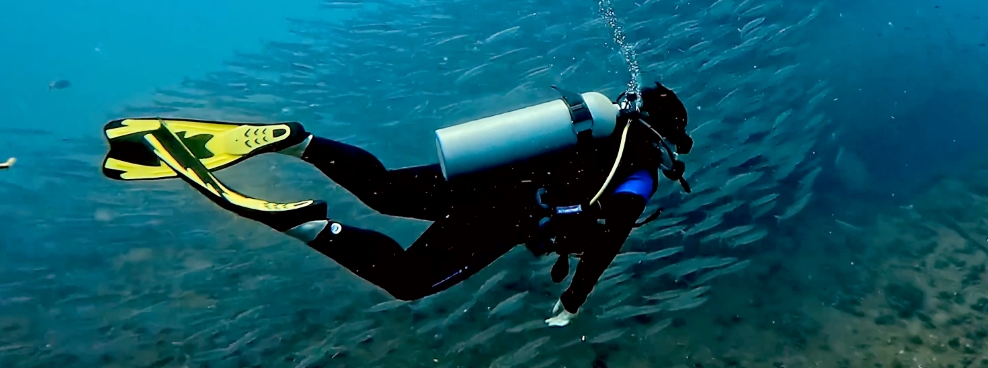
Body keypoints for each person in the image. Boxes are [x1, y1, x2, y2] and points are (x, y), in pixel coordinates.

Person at [101, 81, 692, 326]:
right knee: (409, 280)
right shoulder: (638, 171)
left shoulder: (596, 125)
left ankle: (300, 142)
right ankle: (311, 227)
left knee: (381, 189)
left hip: (482, 177)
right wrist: (574, 298)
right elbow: (608, 236)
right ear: (667, 139)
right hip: (504, 216)